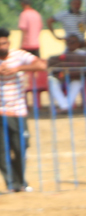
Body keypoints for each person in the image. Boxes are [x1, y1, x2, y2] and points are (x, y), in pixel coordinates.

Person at [1, 27, 46, 192]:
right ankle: (11, 183)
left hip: (19, 111)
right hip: (0, 112)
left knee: (21, 147)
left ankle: (20, 181)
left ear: (8, 42)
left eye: (4, 43)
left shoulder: (18, 55)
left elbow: (41, 65)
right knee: (2, 150)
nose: (2, 47)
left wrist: (17, 69)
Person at [47, 33, 86, 113]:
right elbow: (53, 64)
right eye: (68, 41)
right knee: (51, 81)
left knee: (76, 83)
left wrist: (69, 72)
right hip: (62, 78)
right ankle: (65, 106)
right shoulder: (63, 53)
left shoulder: (84, 54)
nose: (70, 43)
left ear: (78, 43)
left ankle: (65, 106)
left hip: (76, 78)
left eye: (72, 41)